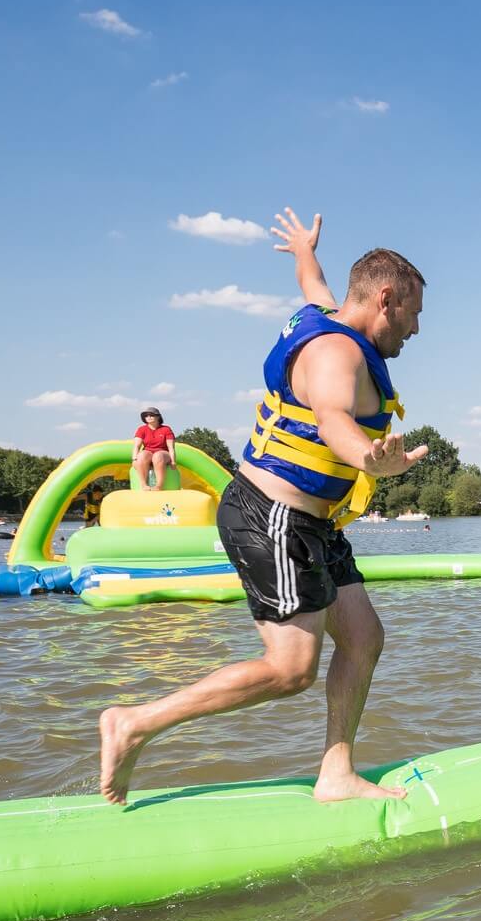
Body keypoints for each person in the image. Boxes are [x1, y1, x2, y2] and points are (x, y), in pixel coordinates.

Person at [97, 207, 427, 806]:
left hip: (312, 524)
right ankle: (134, 722)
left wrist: (304, 249)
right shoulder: (337, 356)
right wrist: (370, 459)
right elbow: (331, 420)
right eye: (413, 314)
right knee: (291, 668)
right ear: (385, 298)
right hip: (274, 516)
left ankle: (336, 774)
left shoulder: (327, 315)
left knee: (363, 638)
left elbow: (313, 283)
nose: (415, 330)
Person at [132, 410, 177, 490]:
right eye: (146, 416)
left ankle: (159, 485)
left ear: (158, 417)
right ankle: (143, 484)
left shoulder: (166, 429)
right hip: (148, 452)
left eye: (151, 415)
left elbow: (171, 448)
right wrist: (134, 459)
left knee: (158, 456)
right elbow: (136, 446)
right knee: (142, 455)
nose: (148, 417)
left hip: (163, 453)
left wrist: (173, 461)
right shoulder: (142, 429)